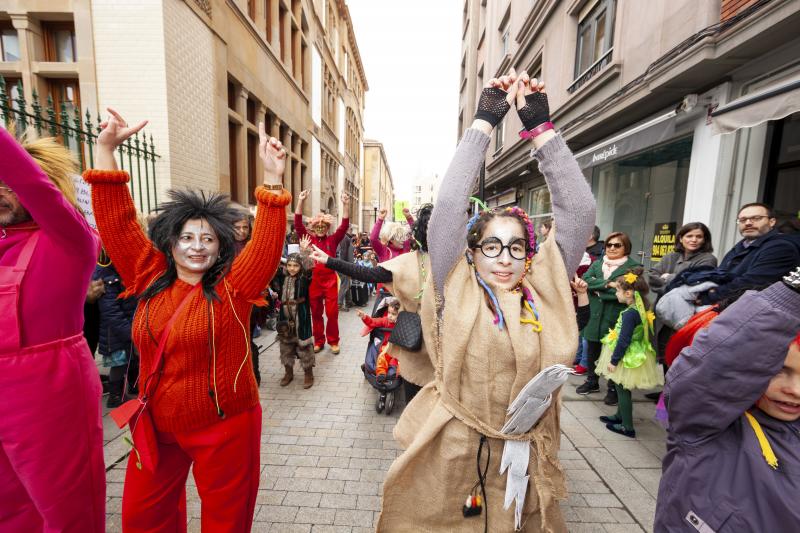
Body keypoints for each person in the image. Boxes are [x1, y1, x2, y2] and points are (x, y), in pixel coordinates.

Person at [375, 70, 595, 531]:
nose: (504, 258)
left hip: (526, 456)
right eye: (490, 246)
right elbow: (450, 208)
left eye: (517, 247)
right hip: (456, 448)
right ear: (471, 254)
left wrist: (542, 129)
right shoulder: (454, 286)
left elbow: (578, 211)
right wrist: (483, 123)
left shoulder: (544, 289)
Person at [85, 109, 289, 532]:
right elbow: (117, 222)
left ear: (221, 247)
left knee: (225, 523)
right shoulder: (148, 272)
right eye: (187, 237)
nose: (197, 248)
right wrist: (105, 150)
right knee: (143, 520)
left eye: (208, 239)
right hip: (157, 423)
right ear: (171, 241)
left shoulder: (234, 285)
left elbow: (267, 246)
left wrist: (272, 181)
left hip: (225, 425)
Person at [0, 127, 105, 531]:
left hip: (48, 392)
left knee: (67, 512)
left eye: (10, 184)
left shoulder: (69, 238)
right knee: (9, 510)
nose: (3, 193)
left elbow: (36, 185)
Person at [655, 270, 800, 531]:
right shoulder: (706, 426)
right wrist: (792, 292)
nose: (796, 390)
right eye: (778, 369)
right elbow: (715, 369)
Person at [310, 203, 436, 401]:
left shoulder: (457, 261)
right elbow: (368, 273)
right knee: (416, 402)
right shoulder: (408, 260)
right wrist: (330, 260)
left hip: (442, 350)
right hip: (416, 346)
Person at [595, 269, 663, 437]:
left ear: (628, 293)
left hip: (625, 355)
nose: (616, 293)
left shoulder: (630, 314)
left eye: (617, 290)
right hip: (632, 352)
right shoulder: (638, 309)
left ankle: (627, 426)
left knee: (622, 388)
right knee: (621, 387)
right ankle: (619, 416)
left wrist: (614, 360)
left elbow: (624, 340)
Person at [576, 232, 642, 405]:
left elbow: (628, 293)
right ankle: (592, 381)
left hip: (614, 315)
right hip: (594, 314)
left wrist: (597, 291)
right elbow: (585, 280)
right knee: (592, 348)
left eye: (617, 245)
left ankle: (613, 388)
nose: (612, 248)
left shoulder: (634, 267)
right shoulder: (598, 263)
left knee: (612, 352)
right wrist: (607, 284)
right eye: (609, 245)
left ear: (625, 247)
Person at [696, 203, 799, 304]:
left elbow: (752, 283)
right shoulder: (741, 246)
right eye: (743, 220)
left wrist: (709, 296)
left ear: (772, 222)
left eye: (756, 218)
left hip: (752, 314)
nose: (748, 223)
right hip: (727, 305)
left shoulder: (781, 247)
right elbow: (721, 274)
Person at [647, 222, 717, 370]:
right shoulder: (671, 256)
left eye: (699, 236)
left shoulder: (708, 259)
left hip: (686, 313)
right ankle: (665, 390)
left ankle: (672, 391)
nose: (694, 240)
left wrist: (667, 277)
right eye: (689, 236)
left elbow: (694, 283)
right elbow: (652, 276)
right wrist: (677, 280)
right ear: (680, 238)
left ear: (705, 240)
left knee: (679, 352)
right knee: (664, 348)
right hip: (664, 310)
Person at [294, 189, 350, 354]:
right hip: (314, 282)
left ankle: (333, 341)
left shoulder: (332, 240)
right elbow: (297, 223)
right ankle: (319, 340)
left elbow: (344, 225)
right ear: (313, 227)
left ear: (327, 227)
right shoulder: (308, 239)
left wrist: (345, 204)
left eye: (323, 226)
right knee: (316, 313)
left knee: (332, 313)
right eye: (317, 226)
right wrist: (300, 201)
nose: (320, 228)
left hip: (331, 281)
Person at [96, 251, 139, 408]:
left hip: (128, 327)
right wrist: (128, 332)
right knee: (120, 364)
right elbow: (111, 311)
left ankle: (135, 386)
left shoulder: (125, 274)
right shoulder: (108, 279)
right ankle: (115, 396)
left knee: (133, 360)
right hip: (116, 333)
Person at [274, 246, 315, 388]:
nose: (292, 268)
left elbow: (309, 269)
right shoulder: (282, 276)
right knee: (285, 345)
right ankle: (288, 372)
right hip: (284, 316)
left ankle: (308, 373)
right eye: (290, 265)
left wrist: (304, 253)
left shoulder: (303, 279)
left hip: (300, 316)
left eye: (296, 266)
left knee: (304, 345)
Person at [231, 205, 262, 385]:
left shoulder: (251, 246)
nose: (242, 231)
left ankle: (254, 377)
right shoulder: (224, 247)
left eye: (245, 227)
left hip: (250, 300)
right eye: (238, 227)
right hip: (229, 301)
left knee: (248, 340)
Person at [357, 297, 401, 382]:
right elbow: (373, 322)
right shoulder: (385, 321)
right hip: (386, 346)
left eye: (394, 314)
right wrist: (364, 317)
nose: (390, 316)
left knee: (395, 362)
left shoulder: (401, 324)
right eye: (388, 312)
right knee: (384, 355)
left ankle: (392, 374)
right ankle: (381, 373)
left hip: (397, 348)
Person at [336, 224, 356, 312]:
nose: (352, 231)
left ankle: (349, 301)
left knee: (346, 282)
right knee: (345, 282)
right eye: (351, 229)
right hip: (343, 264)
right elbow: (341, 252)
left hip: (341, 263)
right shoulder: (344, 238)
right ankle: (339, 303)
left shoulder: (343, 237)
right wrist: (347, 266)